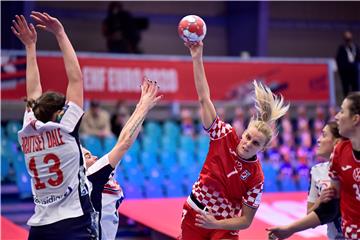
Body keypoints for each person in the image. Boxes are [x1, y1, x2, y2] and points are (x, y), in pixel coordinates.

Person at [179, 41, 289, 240]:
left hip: (224, 225)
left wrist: (216, 223)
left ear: (263, 148)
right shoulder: (223, 135)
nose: (248, 143)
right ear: (244, 132)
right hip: (195, 213)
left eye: (255, 143)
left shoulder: (256, 177)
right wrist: (197, 57)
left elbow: (246, 221)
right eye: (248, 137)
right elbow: (204, 99)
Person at [14, 12, 97, 239]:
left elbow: (32, 91)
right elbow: (76, 79)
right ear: (60, 113)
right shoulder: (66, 129)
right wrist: (60, 33)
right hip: (73, 223)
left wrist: (30, 47)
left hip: (40, 226)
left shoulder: (26, 130)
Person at [267, 92, 360, 240]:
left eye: (342, 111)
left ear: (355, 119)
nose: (337, 117)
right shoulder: (339, 154)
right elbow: (331, 208)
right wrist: (290, 229)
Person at [84, 79, 162, 240]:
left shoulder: (99, 174)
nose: (95, 156)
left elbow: (125, 139)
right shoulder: (92, 175)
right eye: (87, 156)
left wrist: (141, 108)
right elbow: (124, 143)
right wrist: (142, 108)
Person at [336, 31, 360, 97]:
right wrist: (342, 70)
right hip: (345, 72)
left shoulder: (355, 47)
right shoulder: (342, 48)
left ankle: (356, 105)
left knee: (356, 89)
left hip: (355, 72)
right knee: (346, 89)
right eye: (346, 37)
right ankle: (347, 105)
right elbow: (339, 60)